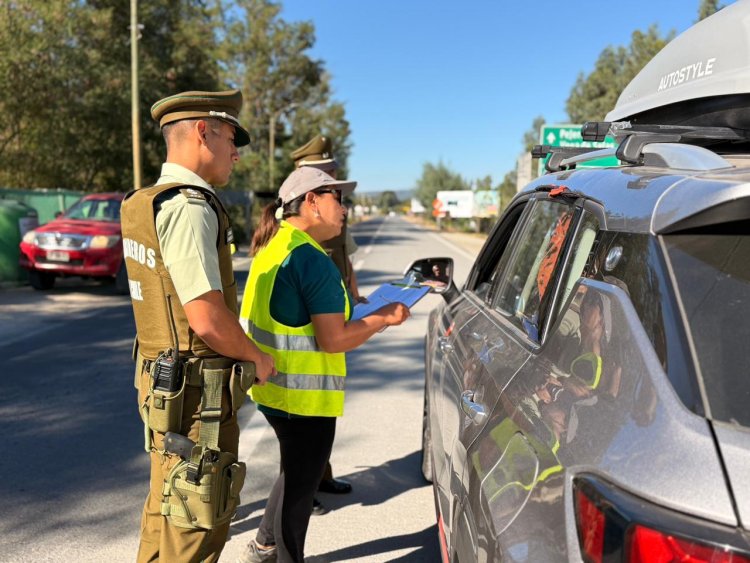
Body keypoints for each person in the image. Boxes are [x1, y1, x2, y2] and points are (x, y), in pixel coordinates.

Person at [120, 89, 276, 563]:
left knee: (163, 517)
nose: (236, 153)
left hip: (163, 388)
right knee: (196, 526)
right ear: (203, 132)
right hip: (196, 400)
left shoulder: (144, 202)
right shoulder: (189, 207)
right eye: (231, 139)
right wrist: (256, 356)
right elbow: (205, 316)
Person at [236, 166, 410, 563]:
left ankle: (264, 544)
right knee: (301, 490)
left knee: (295, 470)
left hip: (274, 387)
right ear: (312, 201)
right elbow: (334, 340)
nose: (345, 208)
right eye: (338, 198)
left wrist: (361, 312)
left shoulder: (276, 245)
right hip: (304, 399)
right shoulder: (311, 259)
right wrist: (384, 317)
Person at [290, 134, 360, 513]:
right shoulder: (296, 211)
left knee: (324, 407)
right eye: (326, 170)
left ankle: (321, 474)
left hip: (333, 306)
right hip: (309, 315)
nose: (333, 174)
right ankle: (302, 490)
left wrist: (355, 294)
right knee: (303, 418)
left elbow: (345, 257)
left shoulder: (334, 207)